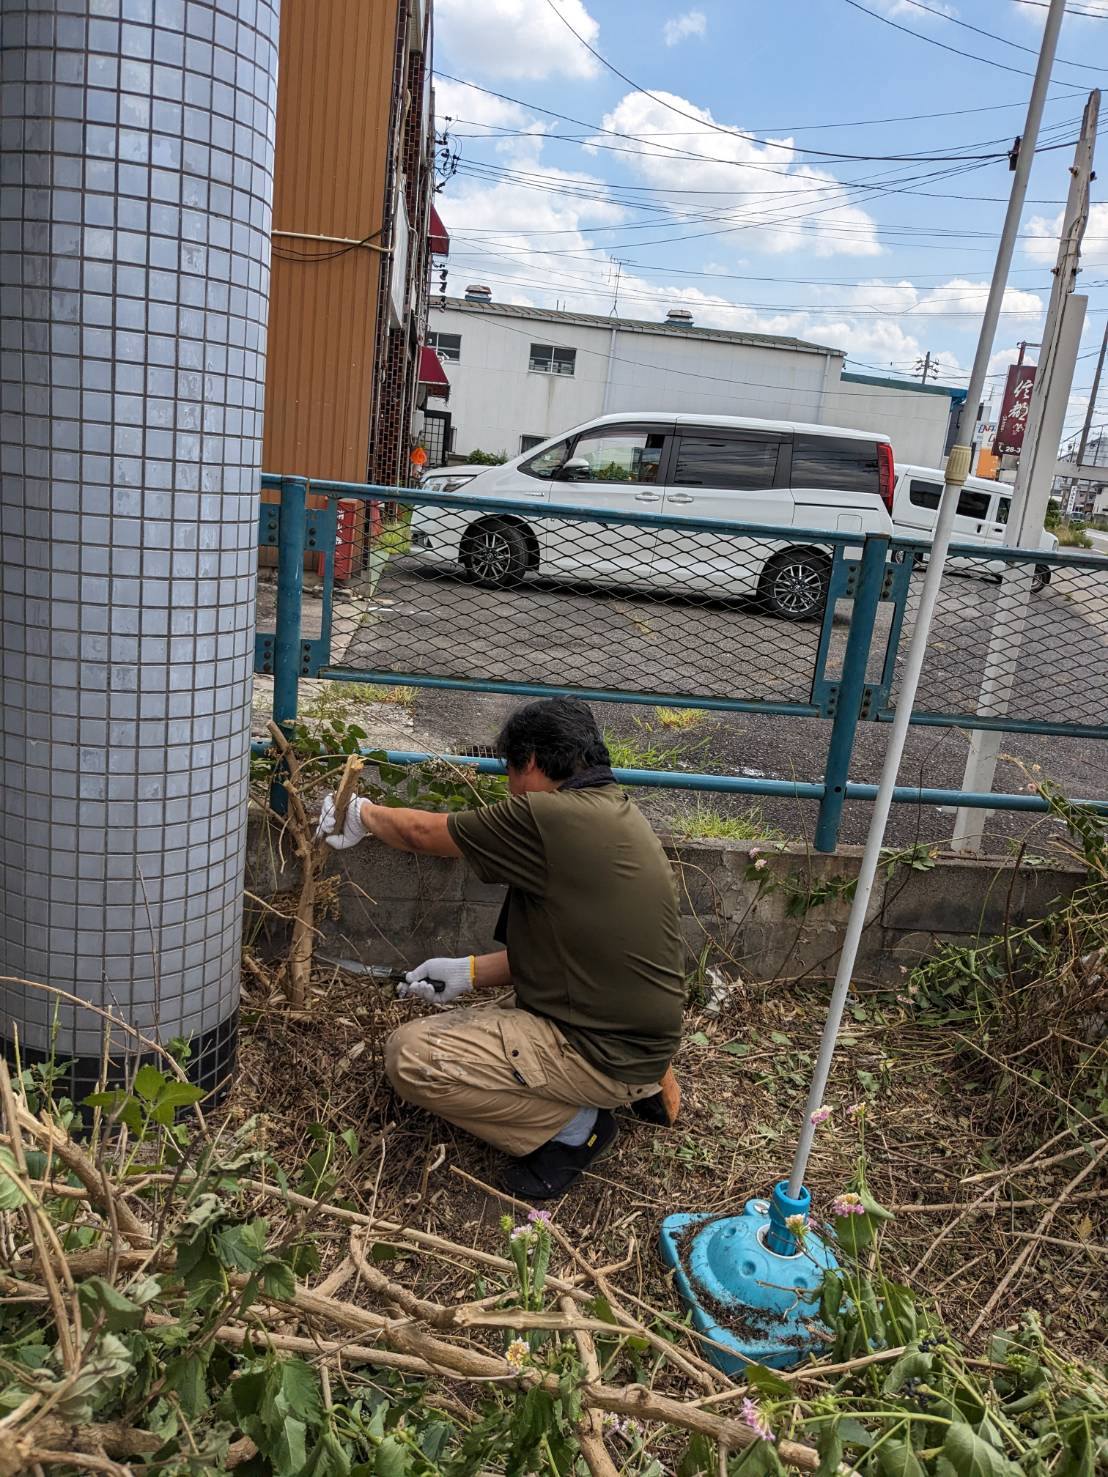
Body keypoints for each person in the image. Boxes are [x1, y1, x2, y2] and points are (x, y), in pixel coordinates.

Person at [316, 697, 685, 1199]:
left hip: (607, 1050)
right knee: (476, 1028)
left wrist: (361, 813)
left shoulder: (548, 816)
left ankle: (578, 1128)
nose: (509, 787)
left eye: (510, 771)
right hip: (638, 1036)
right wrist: (468, 972)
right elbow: (578, 952)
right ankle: (629, 1086)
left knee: (411, 1057)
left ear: (529, 762)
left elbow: (422, 834)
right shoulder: (616, 814)